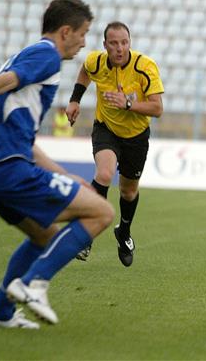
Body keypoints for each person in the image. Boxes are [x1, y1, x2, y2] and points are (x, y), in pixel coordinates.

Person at [0, 0, 115, 328]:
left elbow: (27, 141)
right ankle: (34, 283)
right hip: (5, 167)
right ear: (66, 31)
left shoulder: (29, 56)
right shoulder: (47, 56)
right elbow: (9, 81)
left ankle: (0, 314)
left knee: (44, 235)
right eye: (82, 33)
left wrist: (67, 176)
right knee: (102, 211)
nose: (84, 42)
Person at [66, 22, 164, 267]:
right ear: (105, 46)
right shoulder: (96, 61)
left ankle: (124, 231)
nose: (120, 48)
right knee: (105, 173)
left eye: (124, 42)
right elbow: (85, 71)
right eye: (114, 43)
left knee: (128, 191)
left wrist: (128, 104)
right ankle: (86, 231)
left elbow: (157, 108)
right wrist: (75, 100)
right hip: (106, 129)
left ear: (129, 43)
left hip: (136, 137)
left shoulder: (145, 67)